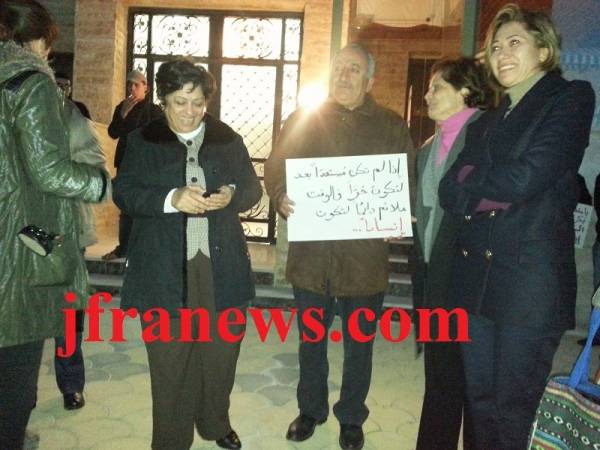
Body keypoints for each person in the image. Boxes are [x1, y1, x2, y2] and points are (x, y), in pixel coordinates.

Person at [438, 4, 595, 449]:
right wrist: (485, 186)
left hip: (528, 285)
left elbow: (527, 177)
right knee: (479, 402)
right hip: (476, 283)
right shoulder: (487, 118)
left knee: (512, 409)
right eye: (495, 47)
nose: (501, 54)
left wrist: (474, 182)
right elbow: (449, 191)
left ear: (544, 49)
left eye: (514, 43)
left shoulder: (570, 98)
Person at [264, 43, 414, 450]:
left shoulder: (390, 125)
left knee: (359, 345)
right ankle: (310, 410)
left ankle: (351, 416)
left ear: (370, 80)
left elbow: (405, 179)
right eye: (338, 68)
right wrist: (279, 195)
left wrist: (395, 213)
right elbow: (276, 166)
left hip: (363, 261)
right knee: (311, 342)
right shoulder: (303, 119)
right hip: (312, 259)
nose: (343, 76)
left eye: (353, 69)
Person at [113, 58, 261, 450]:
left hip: (221, 265)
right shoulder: (142, 140)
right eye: (180, 102)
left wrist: (232, 194)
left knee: (220, 353)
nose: (190, 111)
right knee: (169, 358)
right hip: (162, 267)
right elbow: (124, 192)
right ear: (163, 100)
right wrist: (170, 198)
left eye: (198, 102)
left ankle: (215, 423)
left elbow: (252, 188)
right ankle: (171, 439)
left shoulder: (227, 138)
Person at [0, 0, 107, 448]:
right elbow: (50, 172)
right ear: (40, 38)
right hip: (22, 241)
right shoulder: (29, 82)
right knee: (17, 362)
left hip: (14, 228)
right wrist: (103, 185)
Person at [413, 57, 492, 450]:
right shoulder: (428, 148)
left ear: (465, 91)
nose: (427, 95)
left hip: (473, 284)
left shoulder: (488, 136)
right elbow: (427, 214)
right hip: (435, 280)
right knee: (440, 380)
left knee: (477, 387)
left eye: (437, 87)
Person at [53, 74, 109, 410]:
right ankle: (21, 394)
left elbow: (97, 175)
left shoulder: (73, 118)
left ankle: (71, 383)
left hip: (67, 228)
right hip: (19, 230)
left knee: (69, 309)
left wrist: (54, 175)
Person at [103, 69, 162, 260]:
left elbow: (158, 138)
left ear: (146, 88)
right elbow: (113, 133)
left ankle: (146, 249)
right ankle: (124, 248)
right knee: (126, 206)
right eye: (129, 84)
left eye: (136, 84)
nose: (132, 88)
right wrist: (122, 115)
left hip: (146, 165)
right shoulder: (121, 107)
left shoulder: (154, 111)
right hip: (126, 162)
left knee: (146, 205)